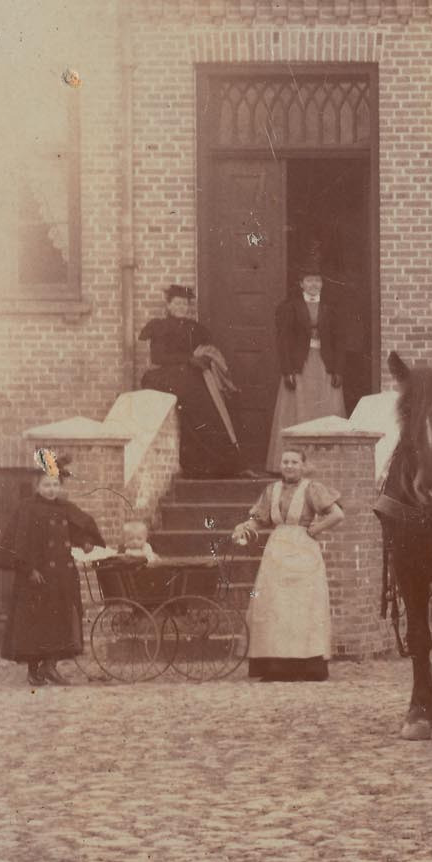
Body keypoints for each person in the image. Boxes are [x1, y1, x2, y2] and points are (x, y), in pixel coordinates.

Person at [0, 451, 108, 689]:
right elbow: (19, 543)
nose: (51, 489)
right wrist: (29, 569)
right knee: (35, 623)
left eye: (55, 485)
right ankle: (33, 669)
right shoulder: (27, 508)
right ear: (37, 485)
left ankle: (50, 665)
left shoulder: (65, 508)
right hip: (36, 578)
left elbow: (78, 528)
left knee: (60, 621)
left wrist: (86, 542)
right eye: (46, 485)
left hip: (62, 576)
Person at [234, 446, 343, 680]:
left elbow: (337, 514)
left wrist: (316, 529)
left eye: (294, 462)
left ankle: (308, 667)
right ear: (280, 465)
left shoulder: (312, 489)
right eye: (285, 462)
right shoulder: (271, 490)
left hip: (304, 552)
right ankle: (277, 667)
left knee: (303, 606)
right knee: (275, 606)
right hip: (276, 551)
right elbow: (259, 520)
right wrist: (244, 526)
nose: (289, 466)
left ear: (303, 466)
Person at [139, 283, 243, 477]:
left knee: (209, 405)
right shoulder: (159, 327)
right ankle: (195, 464)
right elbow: (158, 358)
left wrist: (205, 358)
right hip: (167, 375)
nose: (181, 307)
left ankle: (218, 464)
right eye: (177, 303)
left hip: (191, 375)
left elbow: (206, 350)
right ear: (169, 305)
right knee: (191, 400)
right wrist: (188, 359)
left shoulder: (194, 328)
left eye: (185, 304)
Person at [271, 270, 354, 451]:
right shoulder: (290, 307)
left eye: (317, 280)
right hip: (300, 366)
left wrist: (338, 370)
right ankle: (296, 455)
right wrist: (287, 371)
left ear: (322, 284)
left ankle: (328, 458)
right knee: (299, 409)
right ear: (301, 284)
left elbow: (340, 341)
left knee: (327, 409)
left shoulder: (330, 308)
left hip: (325, 366)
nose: (314, 285)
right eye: (309, 281)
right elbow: (283, 341)